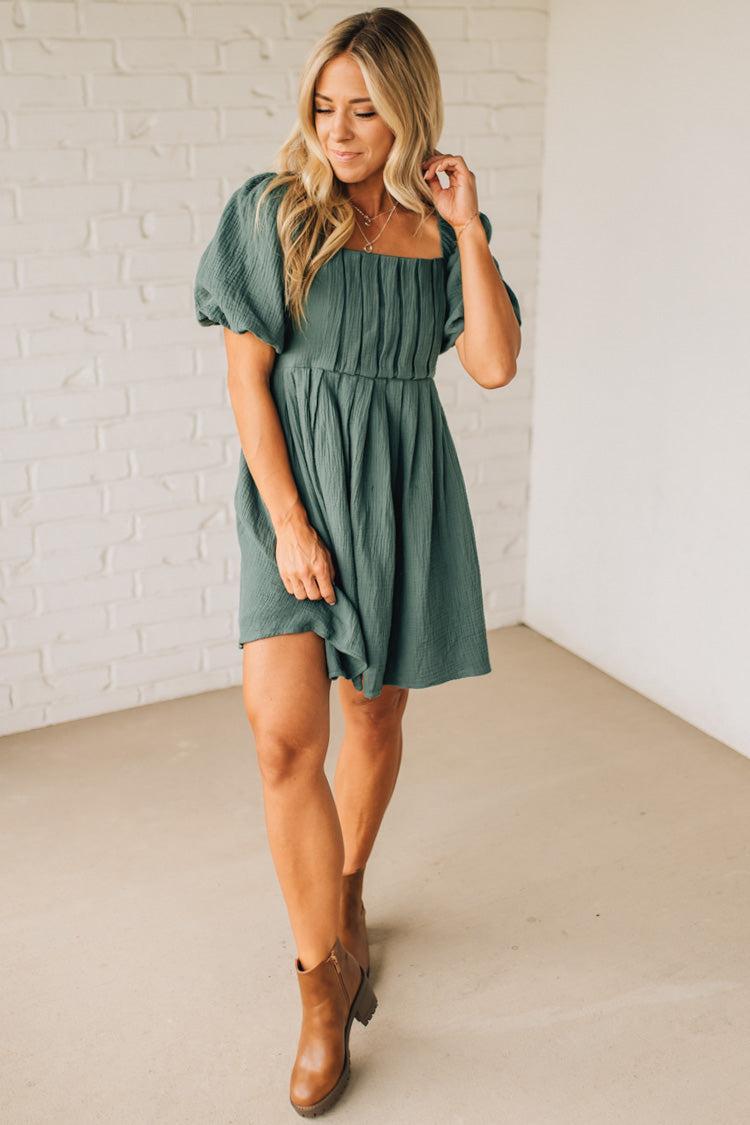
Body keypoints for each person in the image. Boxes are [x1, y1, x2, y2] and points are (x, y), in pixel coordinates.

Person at [193, 7, 522, 1116]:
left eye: (365, 109)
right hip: (295, 496)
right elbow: (247, 380)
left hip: (399, 492)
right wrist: (286, 522)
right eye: (326, 107)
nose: (339, 130)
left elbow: (487, 364)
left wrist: (469, 226)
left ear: (409, 107)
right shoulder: (273, 211)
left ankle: (343, 889)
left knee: (376, 720)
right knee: (286, 743)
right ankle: (322, 989)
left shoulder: (434, 234)